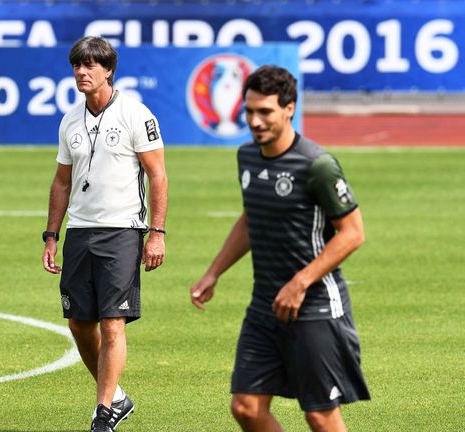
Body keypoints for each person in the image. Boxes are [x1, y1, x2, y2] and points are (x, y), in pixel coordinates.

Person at [190, 65, 370, 432]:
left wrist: (300, 283)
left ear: (289, 109)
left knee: (319, 414)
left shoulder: (317, 165)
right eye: (249, 111)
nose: (255, 121)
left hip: (316, 306)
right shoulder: (247, 157)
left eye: (265, 112)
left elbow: (352, 233)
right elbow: (251, 218)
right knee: (245, 407)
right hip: (264, 306)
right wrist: (214, 271)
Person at [42, 36, 168, 432]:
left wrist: (156, 233)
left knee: (113, 322)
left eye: (91, 66)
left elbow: (158, 175)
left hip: (123, 230)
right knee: (80, 324)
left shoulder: (135, 114)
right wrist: (50, 235)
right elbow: (62, 182)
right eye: (77, 65)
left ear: (108, 70)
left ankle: (101, 414)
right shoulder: (69, 120)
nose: (82, 72)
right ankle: (116, 398)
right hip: (80, 231)